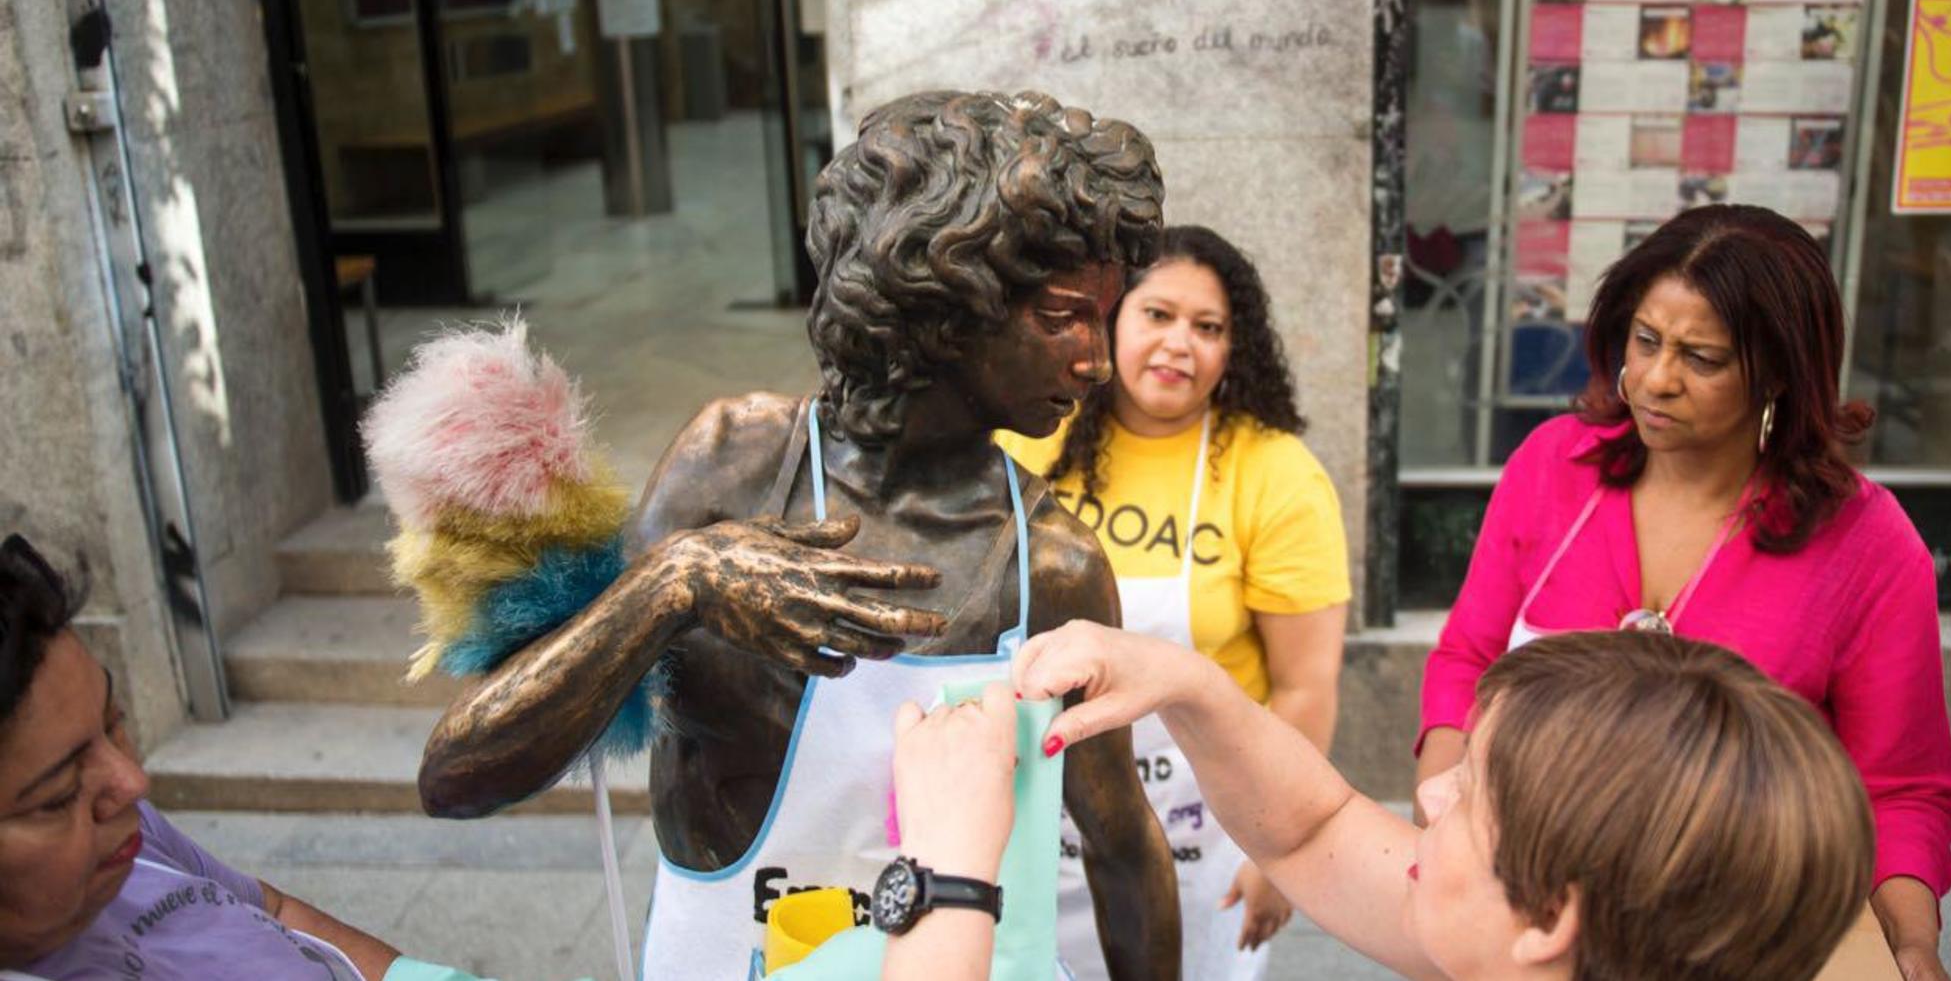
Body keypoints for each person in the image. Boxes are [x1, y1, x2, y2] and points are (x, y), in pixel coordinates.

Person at [413, 90, 1181, 979]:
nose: (1096, 357)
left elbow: (1122, 842)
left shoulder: (1052, 563)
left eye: (1103, 317)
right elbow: (458, 775)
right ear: (945, 304)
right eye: (1060, 318)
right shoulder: (734, 466)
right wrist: (678, 580)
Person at [1416, 204, 1951, 980]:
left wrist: (1911, 944)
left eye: (1700, 357)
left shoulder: (1866, 544)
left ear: (1777, 368)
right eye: (1645, 341)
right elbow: (1465, 660)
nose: (1655, 380)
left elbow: (1902, 790)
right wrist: (1442, 821)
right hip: (1530, 928)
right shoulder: (1553, 466)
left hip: (1742, 943)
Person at [881, 622, 1876, 981]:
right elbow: (1316, 827)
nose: (1427, 790)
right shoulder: (1534, 953)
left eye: (1471, 793)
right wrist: (1188, 684)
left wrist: (947, 877)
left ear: (1549, 916)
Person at [1000, 224, 1349, 977]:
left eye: (1208, 327)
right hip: (1035, 821)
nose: (1178, 344)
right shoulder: (1032, 443)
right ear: (1109, 321)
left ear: (1234, 349)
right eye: (1156, 314)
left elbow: (1303, 686)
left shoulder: (1277, 475)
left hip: (1207, 839)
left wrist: (1279, 851)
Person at [0, 533, 437, 981]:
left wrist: (410, 975)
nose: (132, 781)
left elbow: (273, 909)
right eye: (60, 794)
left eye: (113, 724)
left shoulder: (128, 845)